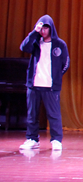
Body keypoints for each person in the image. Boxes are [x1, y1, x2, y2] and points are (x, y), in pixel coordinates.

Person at [19, 15, 69, 151]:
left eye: (45, 28)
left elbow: (65, 63)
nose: (43, 31)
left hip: (51, 87)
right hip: (34, 85)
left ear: (51, 28)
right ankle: (32, 139)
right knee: (32, 114)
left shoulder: (59, 44)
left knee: (54, 114)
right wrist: (34, 32)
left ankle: (56, 140)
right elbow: (23, 47)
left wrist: (56, 77)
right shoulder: (35, 43)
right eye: (41, 28)